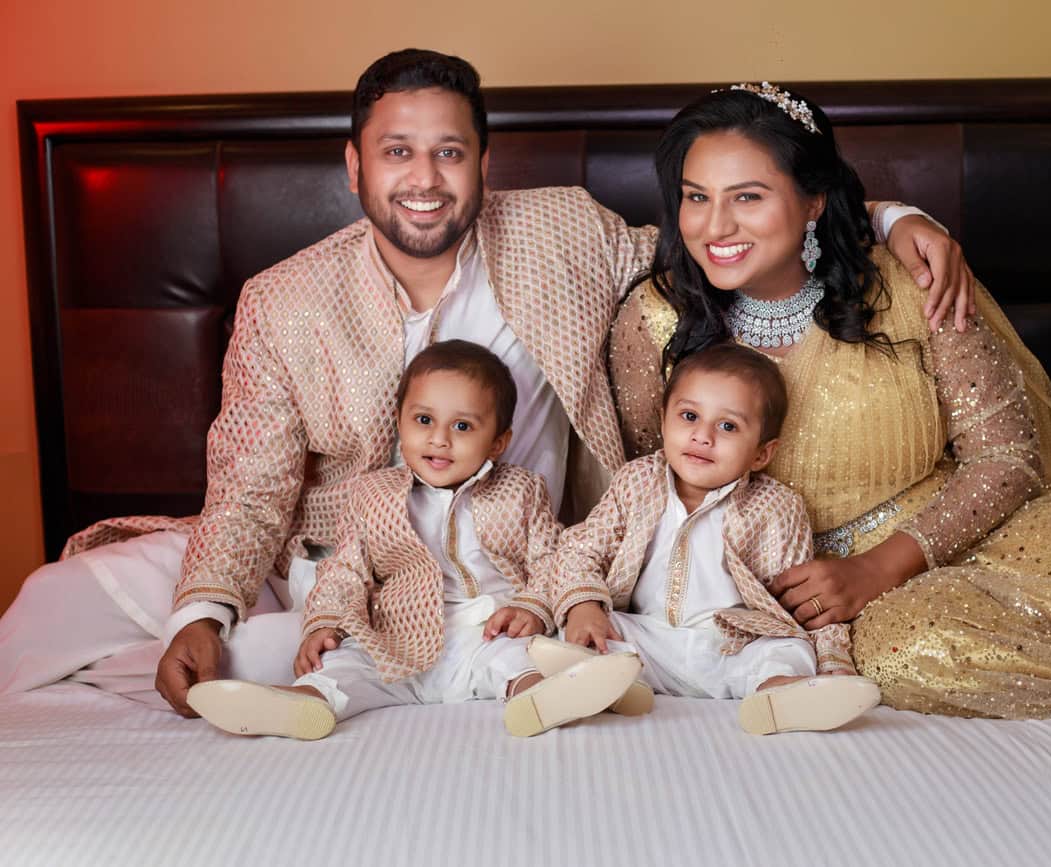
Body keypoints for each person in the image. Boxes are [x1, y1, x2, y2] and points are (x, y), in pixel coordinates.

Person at [0, 50, 971, 717]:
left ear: (480, 163)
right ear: (353, 166)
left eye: (448, 151)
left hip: (525, 561)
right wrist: (202, 609)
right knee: (59, 603)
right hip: (339, 555)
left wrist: (882, 216)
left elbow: (722, 239)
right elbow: (249, 486)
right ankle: (243, 649)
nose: (424, 178)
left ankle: (317, 667)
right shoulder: (283, 300)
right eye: (397, 152)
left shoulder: (559, 231)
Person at [607, 82, 1051, 718]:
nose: (715, 227)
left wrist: (880, 566)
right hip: (797, 596)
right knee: (925, 654)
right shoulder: (657, 318)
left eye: (747, 196)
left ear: (814, 199)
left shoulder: (912, 284)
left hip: (957, 535)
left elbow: (1007, 457)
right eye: (696, 197)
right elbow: (650, 485)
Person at [186, 340, 642, 739]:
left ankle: (541, 699)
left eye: (463, 427)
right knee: (345, 665)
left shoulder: (521, 490)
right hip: (397, 637)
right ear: (400, 422)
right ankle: (302, 704)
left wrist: (532, 608)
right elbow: (347, 569)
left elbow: (552, 558)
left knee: (517, 660)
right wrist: (323, 623)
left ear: (498, 442)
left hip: (486, 628)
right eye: (424, 419)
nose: (439, 439)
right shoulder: (373, 495)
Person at [540, 343, 879, 734]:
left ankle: (778, 696)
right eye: (689, 416)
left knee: (788, 650)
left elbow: (803, 603)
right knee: (590, 630)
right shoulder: (637, 482)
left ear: (761, 454)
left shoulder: (775, 508)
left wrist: (834, 660)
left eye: (728, 426)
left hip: (732, 650)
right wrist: (584, 607)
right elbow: (580, 549)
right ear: (664, 422)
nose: (703, 436)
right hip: (650, 642)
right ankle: (609, 687)